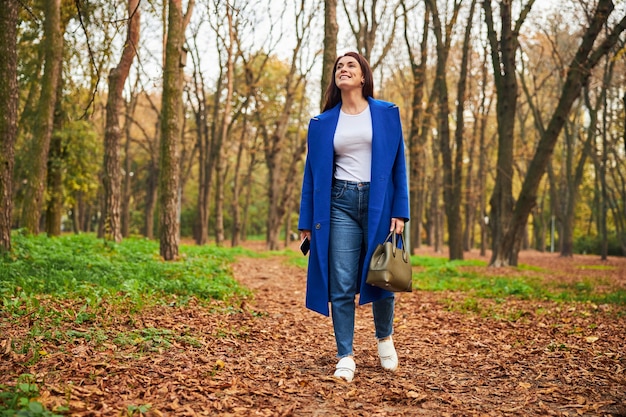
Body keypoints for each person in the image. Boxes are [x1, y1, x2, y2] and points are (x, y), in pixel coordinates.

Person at [298, 52, 409, 382]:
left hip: (378, 202)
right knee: (342, 281)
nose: (343, 70)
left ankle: (384, 338)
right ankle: (345, 354)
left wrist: (400, 211)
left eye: (350, 66)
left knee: (381, 273)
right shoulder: (321, 123)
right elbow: (311, 175)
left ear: (363, 77)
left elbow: (398, 164)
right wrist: (306, 221)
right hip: (339, 204)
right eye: (338, 67)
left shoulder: (387, 114)